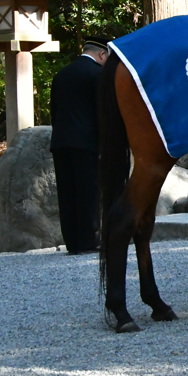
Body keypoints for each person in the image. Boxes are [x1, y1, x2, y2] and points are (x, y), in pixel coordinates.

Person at [50, 36, 110, 254]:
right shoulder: (97, 74)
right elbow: (101, 113)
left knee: (67, 192)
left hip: (61, 141)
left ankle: (72, 242)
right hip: (87, 142)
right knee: (88, 191)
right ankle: (89, 240)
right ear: (102, 54)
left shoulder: (62, 74)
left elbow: (54, 111)